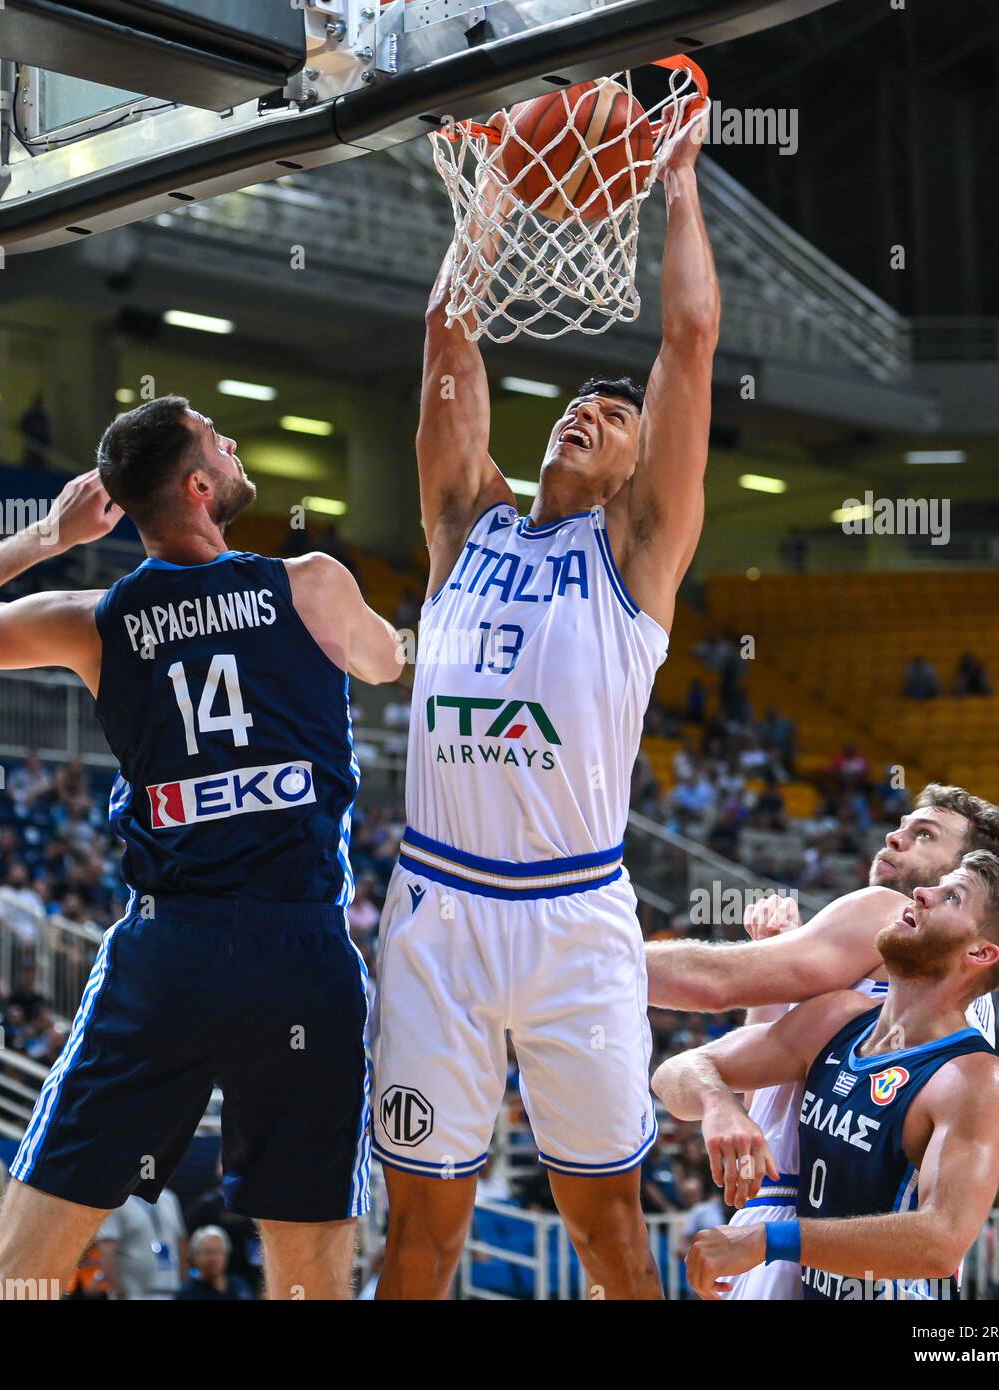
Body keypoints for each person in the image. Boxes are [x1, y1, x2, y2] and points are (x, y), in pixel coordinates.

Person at [0, 396, 403, 1300]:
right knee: (311, 1276)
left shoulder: (95, 619)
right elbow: (388, 662)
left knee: (21, 1274)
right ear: (201, 486)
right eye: (218, 440)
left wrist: (47, 535)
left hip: (168, 954)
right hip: (301, 952)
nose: (234, 444)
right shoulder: (311, 582)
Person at [372, 115, 719, 1300]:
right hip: (439, 907)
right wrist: (494, 193)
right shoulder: (468, 520)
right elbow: (446, 338)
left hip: (573, 920)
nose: (588, 411)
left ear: (635, 465)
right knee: (417, 1238)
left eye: (615, 416)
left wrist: (675, 184)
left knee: (609, 1238)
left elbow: (689, 337)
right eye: (577, 401)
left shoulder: (635, 556)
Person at [645, 783, 999, 1297]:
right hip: (834, 1237)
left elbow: (712, 982)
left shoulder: (887, 911)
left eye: (924, 834)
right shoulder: (892, 1004)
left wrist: (578, 962)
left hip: (823, 1228)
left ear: (965, 870)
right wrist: (779, 975)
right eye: (903, 825)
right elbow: (758, 1097)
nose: (895, 836)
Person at [176, 1226, 254, 1301]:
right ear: (195, 1257)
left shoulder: (239, 1285)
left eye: (219, 1251)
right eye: (208, 1252)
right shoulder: (188, 1294)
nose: (214, 1258)